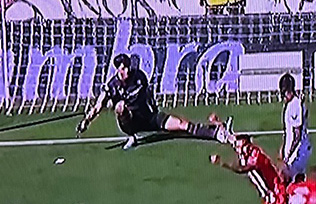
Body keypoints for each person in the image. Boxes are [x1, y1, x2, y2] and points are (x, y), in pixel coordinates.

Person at [76, 54, 232, 149]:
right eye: (121, 69)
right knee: (120, 107)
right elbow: (97, 106)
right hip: (132, 122)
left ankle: (215, 133)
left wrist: (156, 112)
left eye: (126, 68)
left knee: (181, 125)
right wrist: (86, 121)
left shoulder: (139, 77)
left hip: (149, 117)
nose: (124, 72)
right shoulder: (112, 86)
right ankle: (133, 136)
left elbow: (148, 95)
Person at [210, 135, 287, 204]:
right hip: (269, 196)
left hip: (275, 194)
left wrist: (222, 163)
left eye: (241, 145)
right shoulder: (244, 150)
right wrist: (217, 122)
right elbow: (231, 139)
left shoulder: (256, 156)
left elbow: (242, 169)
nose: (238, 148)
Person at [279, 72, 311, 181]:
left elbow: (297, 134)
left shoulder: (295, 106)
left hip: (297, 153)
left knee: (292, 184)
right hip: (295, 151)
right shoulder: (294, 104)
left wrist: (288, 155)